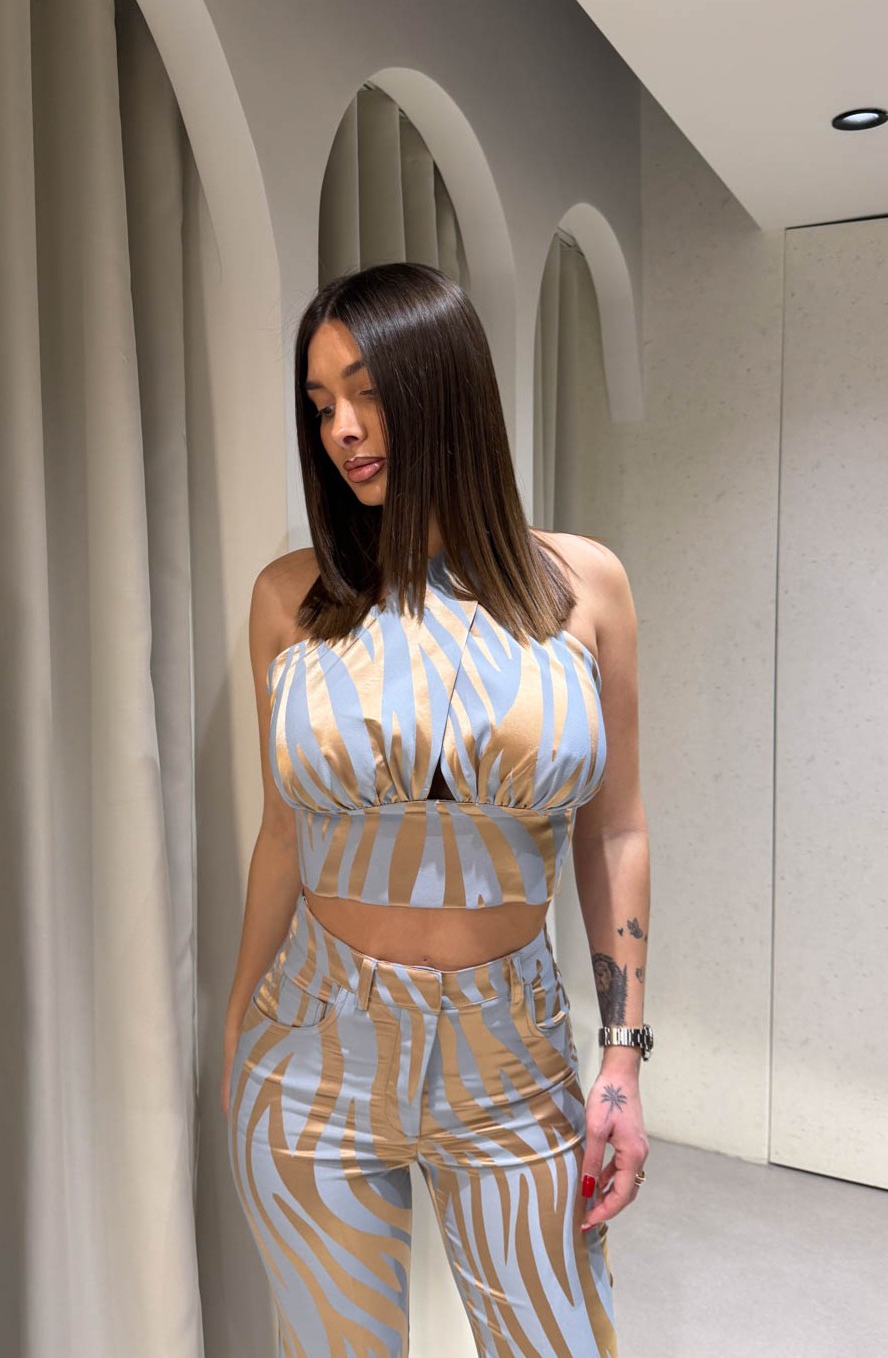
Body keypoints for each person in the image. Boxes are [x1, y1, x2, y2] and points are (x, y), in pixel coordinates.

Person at [222, 262, 651, 1358]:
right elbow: (284, 835)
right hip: (312, 1045)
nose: (342, 429)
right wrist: (234, 1024)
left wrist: (623, 1055)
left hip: (513, 1055)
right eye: (321, 403)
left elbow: (614, 830)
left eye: (368, 392)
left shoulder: (581, 587)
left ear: (444, 391)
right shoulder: (290, 598)